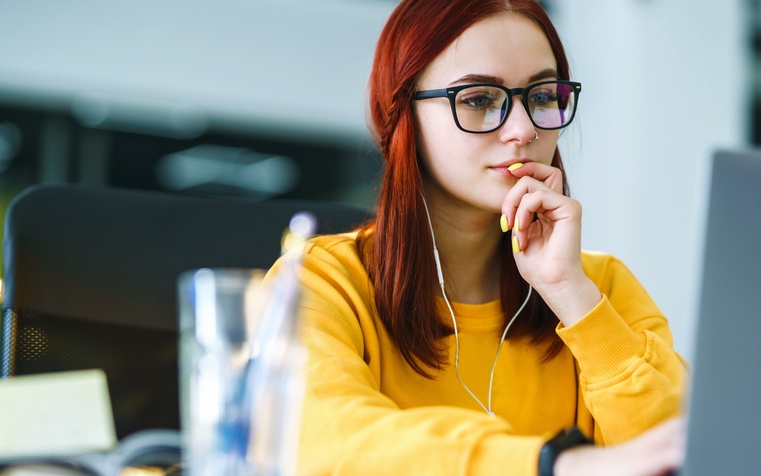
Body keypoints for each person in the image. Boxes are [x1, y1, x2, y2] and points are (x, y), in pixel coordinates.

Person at [267, 0, 688, 474]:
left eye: (543, 95)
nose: (524, 129)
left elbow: (686, 452)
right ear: (401, 113)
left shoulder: (600, 287)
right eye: (479, 99)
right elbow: (321, 441)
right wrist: (551, 465)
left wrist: (573, 298)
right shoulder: (322, 283)